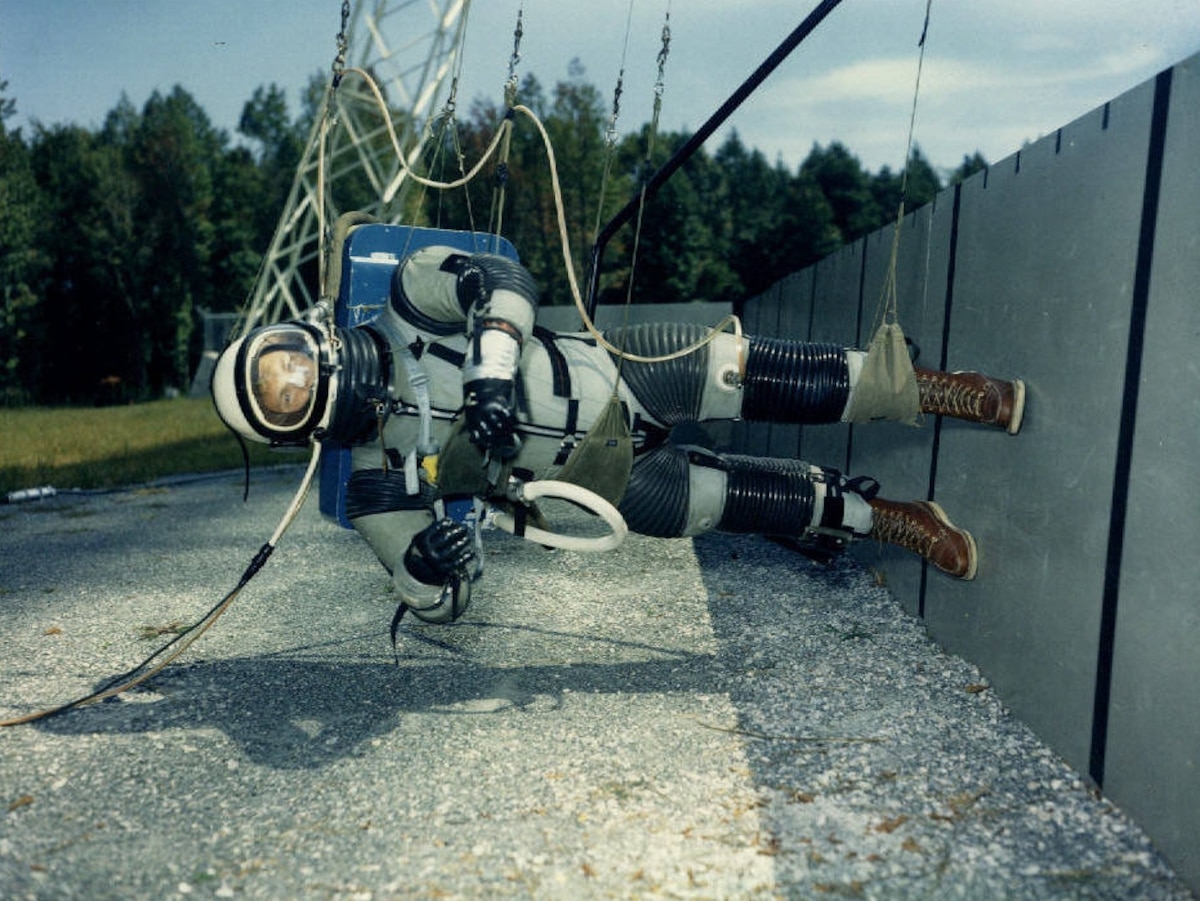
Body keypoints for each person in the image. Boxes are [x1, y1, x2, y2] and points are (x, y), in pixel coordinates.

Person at [212, 245, 1024, 625]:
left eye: (286, 366)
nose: (300, 384)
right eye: (283, 399)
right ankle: (883, 516)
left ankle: (930, 390)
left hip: (624, 371)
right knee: (726, 502)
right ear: (295, 429)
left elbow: (501, 280)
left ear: (303, 337)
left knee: (765, 375)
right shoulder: (375, 483)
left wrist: (494, 369)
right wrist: (433, 566)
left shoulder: (410, 296)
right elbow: (427, 595)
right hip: (597, 480)